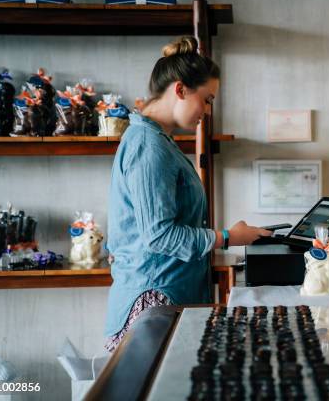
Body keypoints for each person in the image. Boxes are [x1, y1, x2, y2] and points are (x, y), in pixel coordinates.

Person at [104, 37, 271, 352]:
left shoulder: (159, 142)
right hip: (153, 299)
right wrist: (226, 237)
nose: (207, 111)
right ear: (180, 90)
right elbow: (159, 236)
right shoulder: (148, 146)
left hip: (167, 292)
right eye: (206, 99)